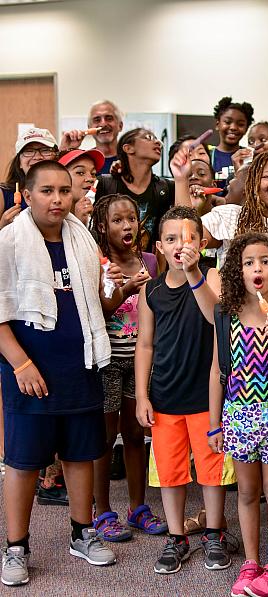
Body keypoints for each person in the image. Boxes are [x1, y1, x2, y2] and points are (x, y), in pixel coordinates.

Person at [0, 161, 121, 587]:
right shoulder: (10, 242)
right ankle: (16, 545)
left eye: (64, 191)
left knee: (80, 454)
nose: (56, 199)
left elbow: (90, 305)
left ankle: (81, 532)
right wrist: (21, 363)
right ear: (26, 194)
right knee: (23, 462)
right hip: (30, 373)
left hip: (80, 366)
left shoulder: (81, 238)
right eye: (46, 191)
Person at [134, 206, 233, 575]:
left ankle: (214, 532)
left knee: (212, 469)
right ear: (159, 247)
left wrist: (194, 274)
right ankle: (176, 535)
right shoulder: (151, 290)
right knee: (169, 472)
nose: (180, 245)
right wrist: (143, 395)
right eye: (172, 239)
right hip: (164, 395)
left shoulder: (212, 277)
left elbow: (216, 316)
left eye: (188, 237)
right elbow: (146, 345)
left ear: (202, 243)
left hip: (206, 396)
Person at [208, 232, 268, 597]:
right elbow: (219, 371)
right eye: (249, 262)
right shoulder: (226, 313)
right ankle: (251, 563)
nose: (257, 268)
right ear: (239, 271)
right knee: (247, 492)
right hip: (238, 416)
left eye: (264, 261)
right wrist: (214, 423)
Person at [89, 194, 165, 543]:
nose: (127, 226)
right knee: (104, 439)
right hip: (107, 363)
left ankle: (138, 508)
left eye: (131, 219)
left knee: (136, 435)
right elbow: (98, 311)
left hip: (139, 362)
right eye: (118, 221)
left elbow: (163, 306)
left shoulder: (150, 260)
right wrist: (122, 291)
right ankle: (102, 510)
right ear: (103, 226)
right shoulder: (96, 262)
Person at [94, 128, 175, 249]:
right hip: (109, 264)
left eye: (158, 140)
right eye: (149, 138)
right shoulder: (105, 184)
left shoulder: (166, 188)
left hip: (149, 265)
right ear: (128, 148)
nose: (158, 142)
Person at [1, 127, 60, 222]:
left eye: (45, 150)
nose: (37, 157)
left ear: (56, 158)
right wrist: (2, 227)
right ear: (19, 162)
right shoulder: (4, 194)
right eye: (29, 151)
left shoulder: (64, 194)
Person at [209, 97, 255, 186]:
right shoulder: (207, 155)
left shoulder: (250, 156)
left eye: (240, 124)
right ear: (217, 124)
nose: (233, 127)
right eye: (227, 122)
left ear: (246, 129)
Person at [58, 148, 104, 226]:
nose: (90, 179)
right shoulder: (47, 218)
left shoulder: (100, 219)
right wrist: (79, 223)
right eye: (80, 173)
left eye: (93, 173)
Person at [87, 100, 126, 175]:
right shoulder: (84, 161)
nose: (103, 124)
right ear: (89, 129)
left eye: (109, 118)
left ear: (120, 126)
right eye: (97, 120)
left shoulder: (133, 160)